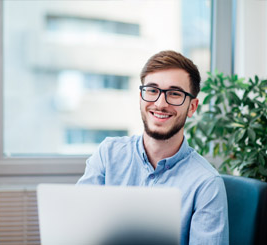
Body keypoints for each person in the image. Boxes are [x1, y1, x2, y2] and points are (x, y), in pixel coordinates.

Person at [77, 50, 229, 244]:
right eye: (152, 90)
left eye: (175, 94)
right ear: (141, 97)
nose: (160, 103)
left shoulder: (206, 184)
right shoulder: (108, 154)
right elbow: (79, 231)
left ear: (192, 107)